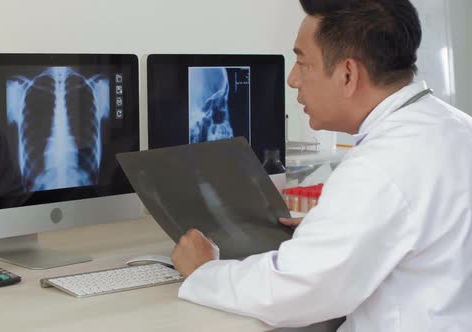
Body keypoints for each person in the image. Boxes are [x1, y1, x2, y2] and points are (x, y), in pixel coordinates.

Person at [170, 0, 472, 331]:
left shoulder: (380, 166)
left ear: (347, 74)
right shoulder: (456, 127)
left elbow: (294, 292)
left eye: (302, 63)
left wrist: (204, 272)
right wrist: (333, 228)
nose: (292, 79)